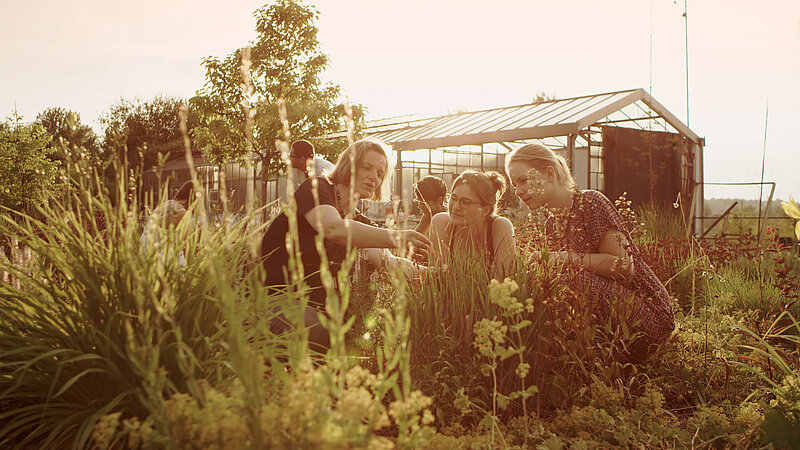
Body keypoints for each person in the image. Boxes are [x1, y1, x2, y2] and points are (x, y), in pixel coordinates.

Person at [505, 143, 674, 361]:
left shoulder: (590, 203)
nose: (518, 191)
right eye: (514, 184)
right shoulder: (551, 225)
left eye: (523, 180)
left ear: (549, 173)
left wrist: (563, 258)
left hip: (649, 316)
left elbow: (625, 268)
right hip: (612, 329)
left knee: (567, 279)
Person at [261, 138, 431, 349]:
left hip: (314, 308)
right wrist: (397, 237)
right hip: (274, 301)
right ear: (349, 165)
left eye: (379, 173)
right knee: (327, 334)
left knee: (355, 336)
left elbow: (389, 263)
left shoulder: (358, 222)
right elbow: (333, 228)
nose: (374, 178)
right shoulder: (316, 188)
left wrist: (437, 273)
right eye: (366, 167)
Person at [429, 170, 516, 281]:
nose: (455, 207)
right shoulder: (441, 222)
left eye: (465, 202)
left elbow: (505, 283)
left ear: (485, 210)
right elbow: (439, 279)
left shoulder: (500, 227)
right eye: (453, 198)